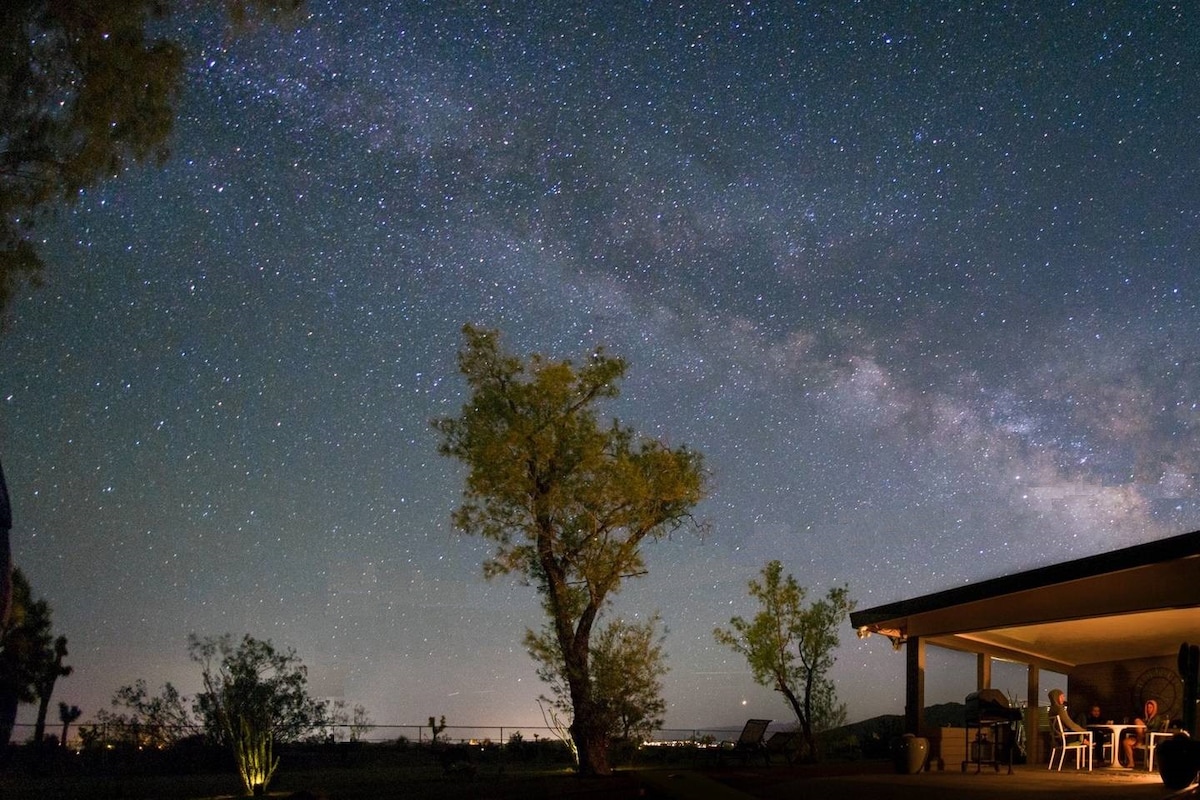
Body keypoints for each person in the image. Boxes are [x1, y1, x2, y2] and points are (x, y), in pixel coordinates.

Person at [1121, 698, 1168, 768]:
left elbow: (1156, 729)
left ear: (1154, 708)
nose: (1149, 709)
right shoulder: (1145, 718)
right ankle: (1131, 762)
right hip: (1142, 737)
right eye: (1147, 707)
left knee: (1137, 720)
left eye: (1150, 707)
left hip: (1150, 738)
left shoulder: (1157, 718)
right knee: (1125, 742)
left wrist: (1147, 730)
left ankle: (1139, 741)